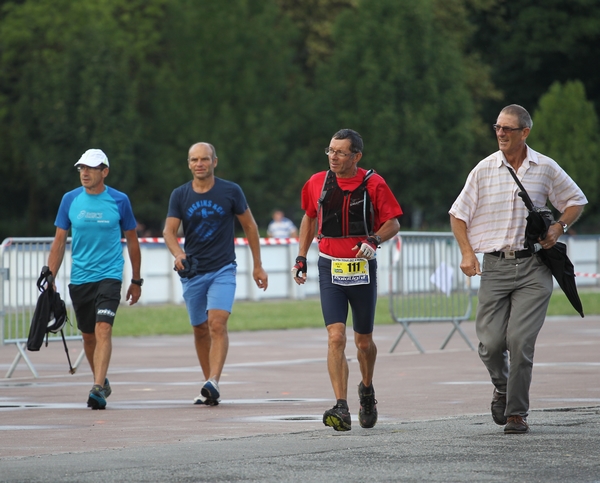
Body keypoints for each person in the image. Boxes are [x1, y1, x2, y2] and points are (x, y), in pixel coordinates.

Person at [449, 104, 587, 434]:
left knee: (521, 341)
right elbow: (458, 215)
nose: (500, 133)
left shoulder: (545, 168)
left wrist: (559, 228)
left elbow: (576, 200)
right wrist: (468, 253)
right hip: (494, 266)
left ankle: (516, 412)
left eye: (507, 129)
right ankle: (502, 386)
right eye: (497, 127)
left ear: (525, 132)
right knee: (491, 344)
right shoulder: (484, 169)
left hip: (534, 266)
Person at [292, 129, 402, 431]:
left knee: (363, 342)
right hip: (330, 268)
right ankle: (341, 406)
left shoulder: (374, 184)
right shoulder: (317, 182)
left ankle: (366, 390)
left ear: (357, 156)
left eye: (341, 152)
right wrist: (301, 256)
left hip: (362, 269)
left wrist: (374, 240)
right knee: (336, 336)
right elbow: (309, 217)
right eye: (330, 151)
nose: (334, 157)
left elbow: (393, 222)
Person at [163, 142, 268, 406]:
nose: (200, 164)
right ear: (188, 164)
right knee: (200, 329)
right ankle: (209, 384)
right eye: (194, 160)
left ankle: (214, 380)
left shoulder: (231, 191)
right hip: (194, 272)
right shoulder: (180, 195)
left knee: (217, 323)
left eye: (205, 159)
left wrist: (257, 265)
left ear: (215, 162)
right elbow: (168, 231)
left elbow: (251, 227)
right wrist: (178, 254)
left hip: (223, 268)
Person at [47, 148, 142, 410]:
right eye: (81, 168)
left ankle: (97, 388)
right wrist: (50, 274)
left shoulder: (120, 200)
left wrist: (136, 280)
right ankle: (101, 379)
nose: (85, 173)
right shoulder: (70, 199)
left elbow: (132, 242)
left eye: (90, 168)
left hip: (109, 275)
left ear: (105, 172)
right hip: (80, 278)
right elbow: (59, 242)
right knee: (88, 336)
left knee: (103, 329)